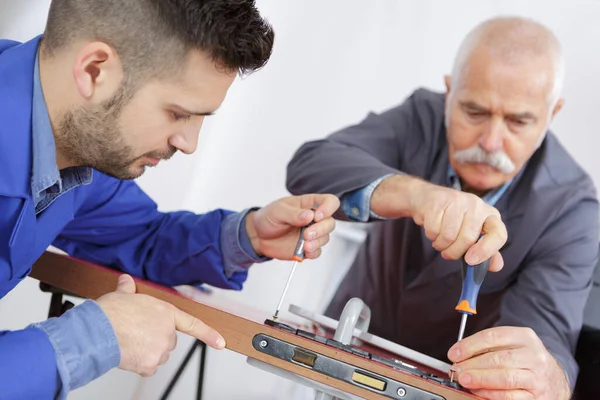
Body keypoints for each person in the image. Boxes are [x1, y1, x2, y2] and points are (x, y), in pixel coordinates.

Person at [0, 0, 340, 398]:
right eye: (178, 114)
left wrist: (247, 236)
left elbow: (140, 237)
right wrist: (88, 339)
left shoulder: (74, 150)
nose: (189, 143)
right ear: (94, 70)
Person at [287, 16, 599, 399]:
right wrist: (416, 195)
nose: (490, 141)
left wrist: (545, 377)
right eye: (474, 111)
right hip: (341, 358)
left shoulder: (572, 209)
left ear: (552, 115)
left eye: (518, 121)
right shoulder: (422, 116)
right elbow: (310, 166)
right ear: (449, 93)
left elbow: (544, 336)